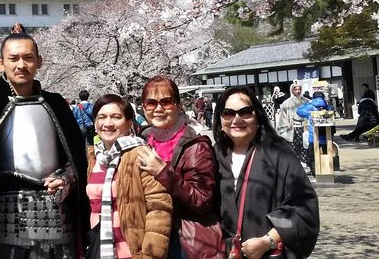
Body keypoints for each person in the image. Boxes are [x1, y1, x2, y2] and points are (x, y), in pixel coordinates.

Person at [0, 23, 89, 259]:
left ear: (39, 61)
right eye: (14, 58)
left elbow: (75, 158)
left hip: (57, 212)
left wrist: (65, 178)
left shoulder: (57, 104)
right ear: (1, 63)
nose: (21, 65)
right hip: (6, 216)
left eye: (28, 58)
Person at [214, 86, 319, 259]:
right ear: (220, 119)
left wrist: (268, 240)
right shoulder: (213, 156)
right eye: (228, 113)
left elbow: (304, 207)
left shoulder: (278, 153)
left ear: (258, 116)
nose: (236, 119)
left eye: (245, 112)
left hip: (267, 253)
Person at [136, 76, 225, 259]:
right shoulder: (143, 140)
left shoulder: (194, 145)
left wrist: (164, 172)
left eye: (166, 102)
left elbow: (203, 202)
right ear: (144, 107)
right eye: (151, 103)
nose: (158, 109)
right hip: (150, 236)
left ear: (177, 105)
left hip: (183, 239)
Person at [85, 93, 172, 258]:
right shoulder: (93, 157)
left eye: (116, 117)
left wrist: (151, 255)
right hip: (100, 250)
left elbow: (159, 208)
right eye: (101, 117)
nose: (108, 123)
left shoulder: (141, 154)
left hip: (133, 252)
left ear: (129, 123)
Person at [296, 92, 334, 176]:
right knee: (327, 154)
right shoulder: (328, 106)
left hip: (314, 137)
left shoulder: (310, 107)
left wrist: (307, 103)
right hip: (327, 137)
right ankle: (327, 172)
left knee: (310, 157)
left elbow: (298, 111)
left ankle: (315, 173)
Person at [276, 83, 310, 163]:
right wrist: (287, 126)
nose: (298, 91)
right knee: (293, 148)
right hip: (292, 128)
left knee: (305, 147)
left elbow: (310, 114)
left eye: (299, 89)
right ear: (292, 90)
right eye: (295, 89)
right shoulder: (286, 103)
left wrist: (308, 124)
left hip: (304, 128)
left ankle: (305, 164)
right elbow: (283, 117)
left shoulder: (306, 101)